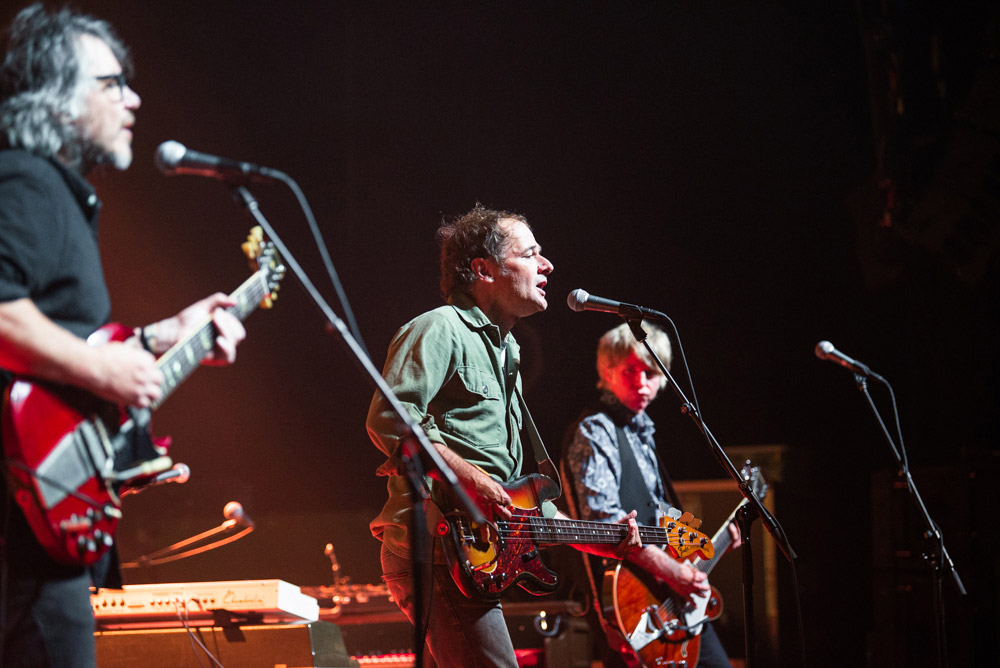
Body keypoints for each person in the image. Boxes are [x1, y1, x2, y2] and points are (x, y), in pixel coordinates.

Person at [0, 5, 246, 667]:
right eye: (112, 84)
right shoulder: (24, 181)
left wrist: (167, 334)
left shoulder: (57, 195)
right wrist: (101, 370)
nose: (133, 99)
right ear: (56, 98)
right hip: (21, 535)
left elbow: (62, 345)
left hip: (43, 530)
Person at [366, 204, 642, 668]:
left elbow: (516, 496)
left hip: (470, 555)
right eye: (530, 254)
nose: (546, 265)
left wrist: (598, 537)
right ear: (483, 269)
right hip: (435, 550)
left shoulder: (505, 349)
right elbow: (390, 418)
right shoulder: (440, 328)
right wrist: (471, 478)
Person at [562, 322, 741, 668]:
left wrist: (705, 546)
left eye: (652, 373)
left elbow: (657, 518)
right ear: (607, 372)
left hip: (665, 597)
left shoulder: (641, 431)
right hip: (630, 601)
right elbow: (606, 525)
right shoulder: (596, 430)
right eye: (630, 371)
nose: (642, 383)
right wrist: (675, 572)